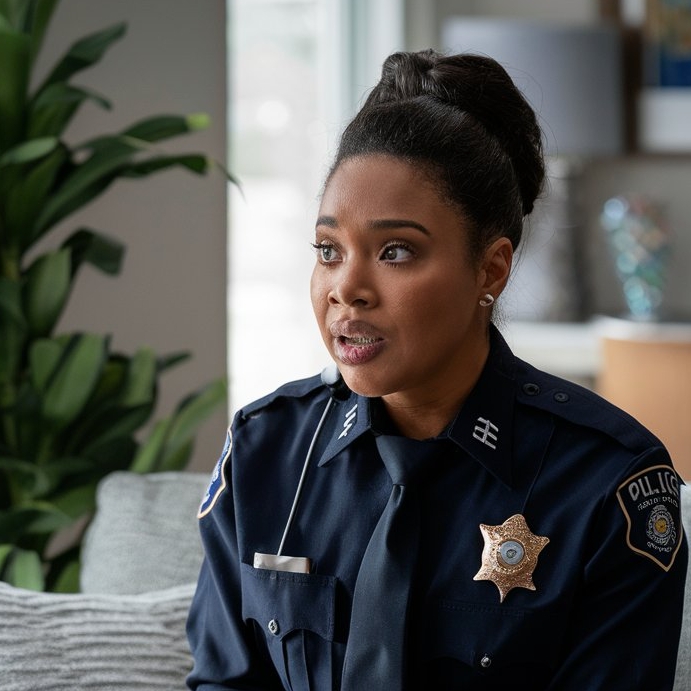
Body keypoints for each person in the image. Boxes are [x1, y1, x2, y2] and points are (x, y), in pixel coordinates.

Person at [186, 49, 687, 690]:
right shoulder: (265, 451)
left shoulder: (608, 485)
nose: (347, 288)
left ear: (491, 270)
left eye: (395, 251)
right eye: (328, 250)